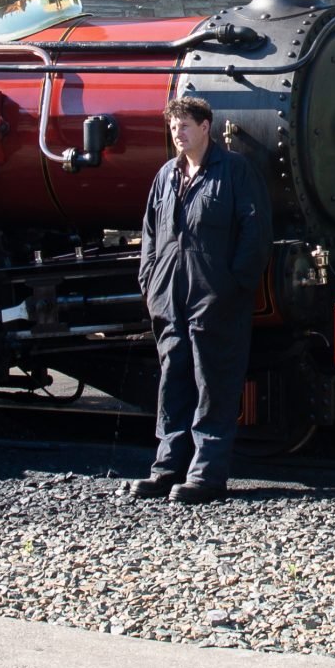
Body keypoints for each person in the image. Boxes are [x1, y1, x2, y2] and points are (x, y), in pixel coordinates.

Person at [130, 95, 271, 503]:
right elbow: (151, 234)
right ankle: (167, 467)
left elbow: (255, 233)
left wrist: (233, 286)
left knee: (214, 384)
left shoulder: (235, 172)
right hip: (169, 296)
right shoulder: (165, 176)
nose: (178, 134)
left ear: (206, 127)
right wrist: (150, 282)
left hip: (215, 296)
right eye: (174, 128)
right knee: (172, 380)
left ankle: (207, 474)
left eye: (185, 126)